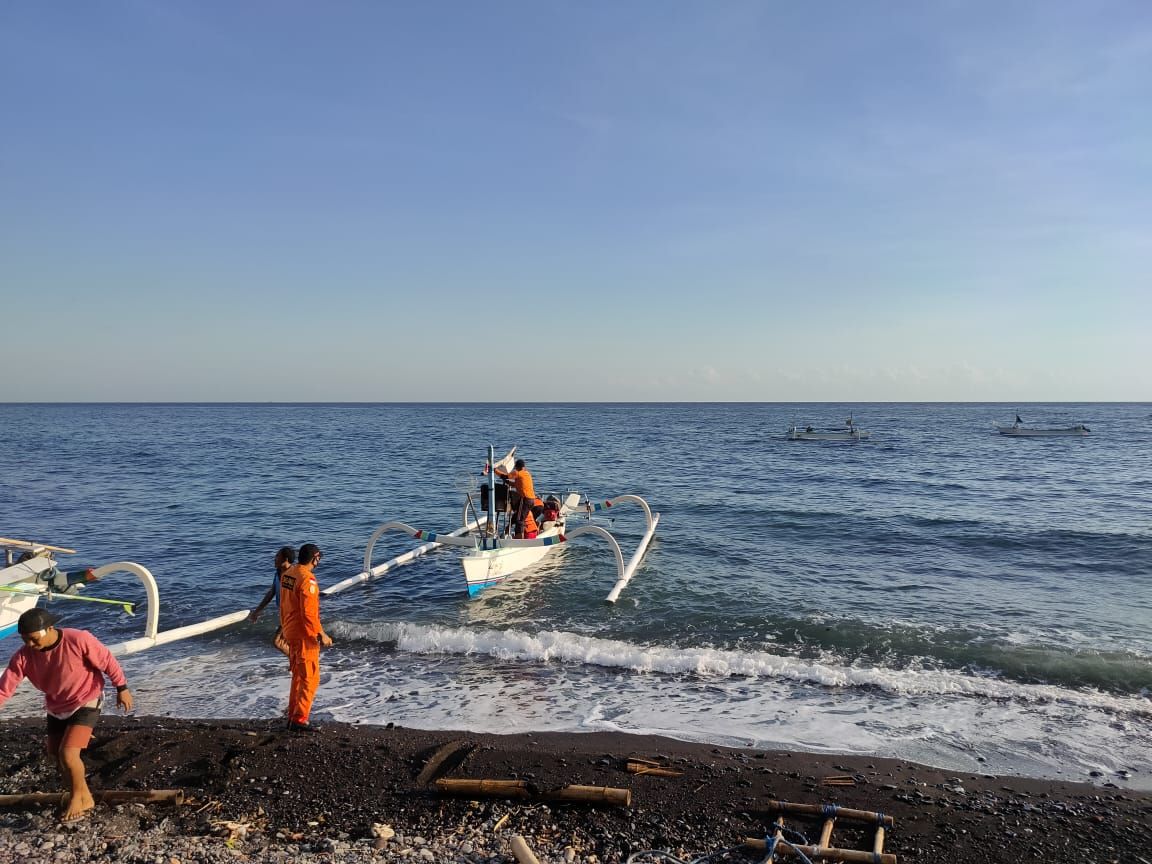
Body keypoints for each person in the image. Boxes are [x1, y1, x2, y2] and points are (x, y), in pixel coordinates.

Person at [0, 609, 133, 822]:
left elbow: (107, 660)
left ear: (49, 629)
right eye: (25, 641)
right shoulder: (24, 656)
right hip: (56, 705)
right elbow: (5, 687)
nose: (30, 645)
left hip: (87, 698)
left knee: (69, 754)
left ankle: (75, 798)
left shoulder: (78, 639)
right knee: (56, 755)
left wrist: (122, 687)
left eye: (33, 640)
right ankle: (86, 797)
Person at [279, 543, 333, 732]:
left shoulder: (289, 574)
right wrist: (321, 634)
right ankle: (300, 718)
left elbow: (284, 603)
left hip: (290, 630)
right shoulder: (307, 580)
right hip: (303, 634)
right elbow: (309, 614)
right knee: (310, 677)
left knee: (298, 676)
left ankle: (293, 714)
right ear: (315, 559)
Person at [248, 546, 295, 657]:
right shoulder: (278, 573)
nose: (275, 558)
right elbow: (271, 592)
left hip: (292, 615)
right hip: (284, 615)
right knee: (286, 642)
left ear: (286, 559)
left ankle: (298, 663)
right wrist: (257, 611)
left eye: (277, 556)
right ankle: (298, 664)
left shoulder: (292, 575)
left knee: (278, 641)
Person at [495, 458, 542, 536]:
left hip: (525, 500)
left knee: (519, 520)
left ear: (516, 467)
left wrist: (495, 470)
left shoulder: (518, 473)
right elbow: (515, 484)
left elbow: (505, 476)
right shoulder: (526, 474)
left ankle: (519, 539)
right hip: (532, 500)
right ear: (524, 467)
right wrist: (507, 482)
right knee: (518, 518)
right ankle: (520, 534)